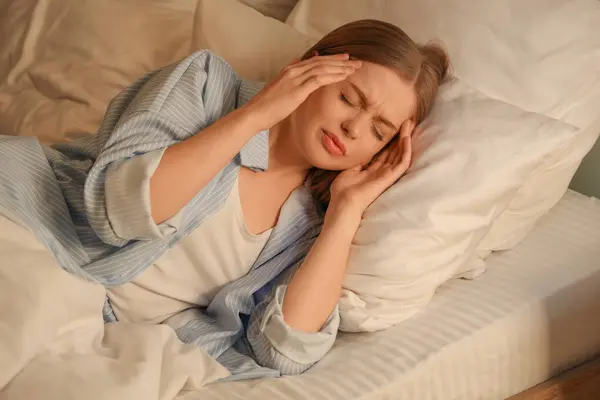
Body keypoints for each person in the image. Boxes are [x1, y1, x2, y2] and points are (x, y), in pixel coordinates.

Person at [0, 19, 449, 379]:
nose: (353, 128)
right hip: (29, 227)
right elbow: (118, 210)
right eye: (350, 98)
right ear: (308, 69)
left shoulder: (310, 222)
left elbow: (286, 352)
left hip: (97, 324)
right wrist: (257, 114)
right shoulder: (206, 85)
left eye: (378, 131)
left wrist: (346, 213)